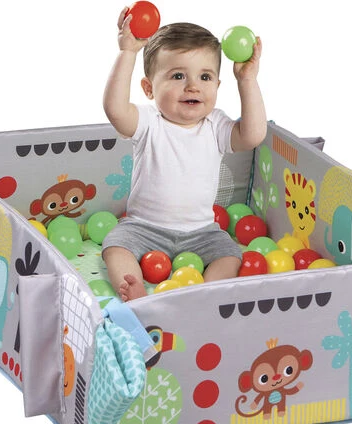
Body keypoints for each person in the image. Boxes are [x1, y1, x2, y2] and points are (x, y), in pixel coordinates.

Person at [102, 7, 267, 301]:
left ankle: (201, 296)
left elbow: (253, 135)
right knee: (115, 245)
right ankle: (134, 289)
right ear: (149, 88)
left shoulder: (215, 125)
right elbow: (115, 109)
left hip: (202, 232)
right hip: (143, 227)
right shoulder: (149, 123)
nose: (193, 86)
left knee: (230, 255)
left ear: (217, 85)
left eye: (205, 77)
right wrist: (128, 52)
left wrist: (247, 81)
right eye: (178, 75)